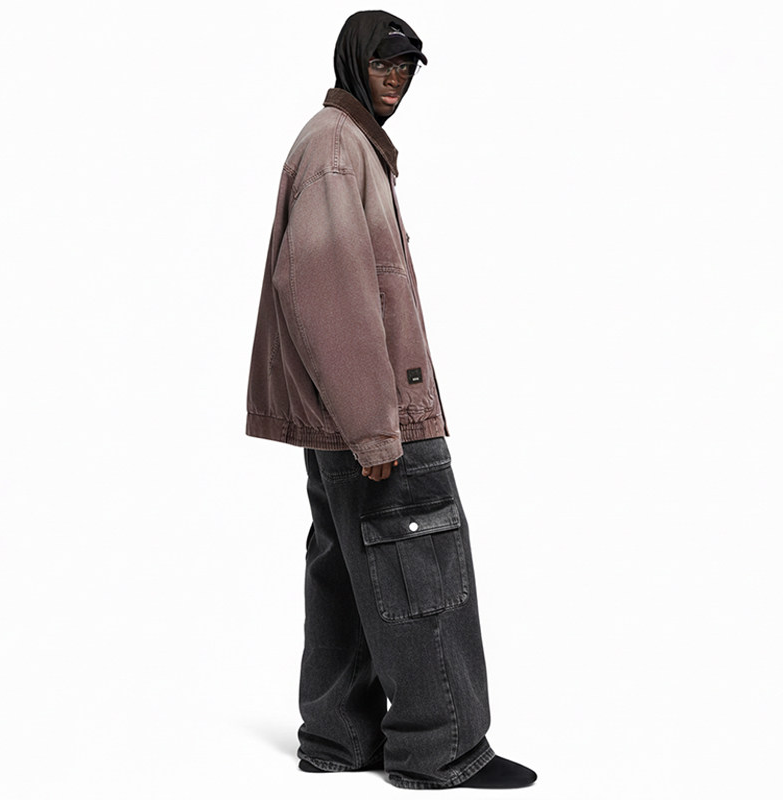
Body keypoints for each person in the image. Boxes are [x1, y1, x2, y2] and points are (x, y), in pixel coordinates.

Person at [245, 10, 537, 791]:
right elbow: (330, 295)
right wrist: (377, 430)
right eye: (384, 63)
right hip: (375, 420)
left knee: (350, 572)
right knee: (421, 566)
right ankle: (442, 750)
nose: (397, 78)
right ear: (351, 62)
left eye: (407, 67)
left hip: (345, 420)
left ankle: (338, 739)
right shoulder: (338, 151)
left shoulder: (344, 144)